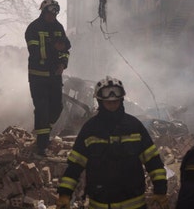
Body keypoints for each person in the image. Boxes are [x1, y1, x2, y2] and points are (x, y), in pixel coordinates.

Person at [56, 76, 169, 209]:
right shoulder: (90, 129)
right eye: (108, 102)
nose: (112, 105)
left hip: (134, 205)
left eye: (115, 101)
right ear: (100, 101)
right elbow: (75, 166)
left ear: (121, 100)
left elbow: (153, 161)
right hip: (100, 204)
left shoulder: (134, 126)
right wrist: (65, 194)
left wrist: (160, 190)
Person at [25, 0, 71, 156]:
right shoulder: (33, 28)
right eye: (51, 12)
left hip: (54, 77)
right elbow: (35, 52)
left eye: (56, 13)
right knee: (42, 109)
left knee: (57, 107)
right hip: (38, 77)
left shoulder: (58, 27)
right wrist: (53, 47)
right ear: (44, 12)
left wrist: (63, 63)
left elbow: (65, 49)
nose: (54, 16)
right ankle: (41, 146)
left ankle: (43, 131)